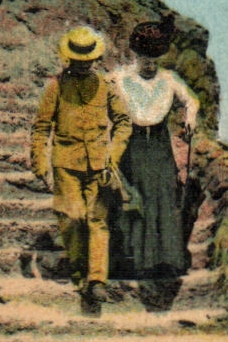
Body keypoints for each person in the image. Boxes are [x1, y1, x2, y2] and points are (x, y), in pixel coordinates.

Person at [30, 27, 131, 311]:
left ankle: (97, 280)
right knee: (72, 218)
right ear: (69, 60)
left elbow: (123, 122)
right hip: (66, 164)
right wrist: (39, 159)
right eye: (78, 61)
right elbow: (41, 127)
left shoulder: (105, 86)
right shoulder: (56, 88)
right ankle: (77, 269)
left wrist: (114, 153)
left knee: (97, 221)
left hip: (100, 166)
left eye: (88, 61)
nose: (83, 66)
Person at [108, 16, 199, 287]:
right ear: (135, 54)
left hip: (159, 143)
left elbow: (191, 100)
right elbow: (99, 97)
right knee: (134, 197)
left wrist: (190, 116)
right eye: (145, 57)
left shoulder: (169, 79)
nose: (149, 63)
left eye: (155, 58)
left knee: (162, 195)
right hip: (131, 143)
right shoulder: (119, 78)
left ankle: (164, 260)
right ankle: (132, 263)